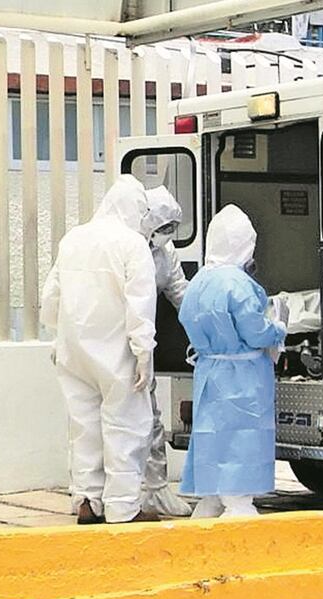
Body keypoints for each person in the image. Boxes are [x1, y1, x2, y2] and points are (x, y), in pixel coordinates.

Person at [41, 175, 159, 524]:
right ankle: (123, 506)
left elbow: (51, 296)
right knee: (125, 425)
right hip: (116, 350)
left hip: (73, 350)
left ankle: (87, 502)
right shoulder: (132, 244)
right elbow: (140, 303)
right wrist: (144, 352)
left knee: (83, 427)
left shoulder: (73, 239)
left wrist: (58, 335)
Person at [177, 205, 287, 518]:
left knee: (213, 436)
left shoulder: (199, 281)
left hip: (210, 371)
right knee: (241, 437)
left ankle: (211, 499)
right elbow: (254, 330)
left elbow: (187, 316)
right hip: (243, 375)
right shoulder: (238, 284)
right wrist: (277, 329)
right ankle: (238, 504)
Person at [138, 186, 193, 517]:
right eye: (164, 228)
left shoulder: (165, 252)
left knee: (150, 417)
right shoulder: (125, 246)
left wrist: (202, 319)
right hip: (115, 341)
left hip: (144, 342)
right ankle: (102, 494)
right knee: (114, 421)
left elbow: (179, 291)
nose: (168, 234)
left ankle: (156, 489)